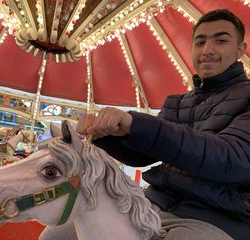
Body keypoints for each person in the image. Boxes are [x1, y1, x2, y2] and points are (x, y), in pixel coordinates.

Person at [76, 9, 250, 240]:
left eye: (220, 40)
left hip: (217, 217)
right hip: (152, 204)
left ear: (240, 49)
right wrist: (108, 135)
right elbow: (144, 156)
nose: (207, 50)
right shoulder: (178, 103)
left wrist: (137, 123)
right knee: (61, 233)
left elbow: (230, 158)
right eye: (200, 42)